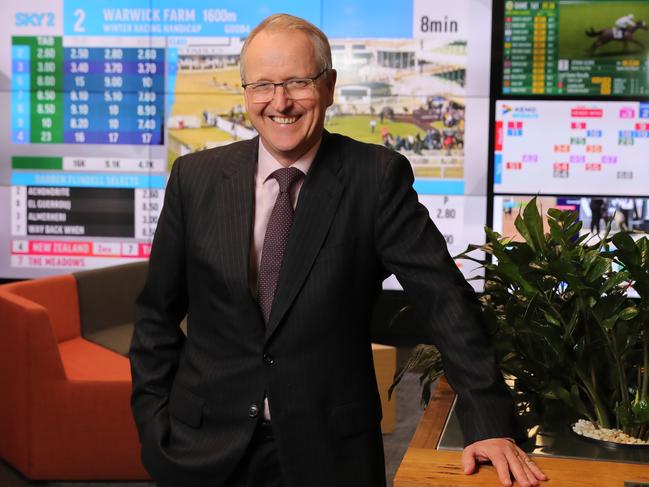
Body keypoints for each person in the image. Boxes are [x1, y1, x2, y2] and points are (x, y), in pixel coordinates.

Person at [130, 13, 547, 487]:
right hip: (200, 449)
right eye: (262, 85)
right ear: (246, 93)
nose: (279, 102)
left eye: (297, 82)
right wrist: (153, 426)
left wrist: (489, 423)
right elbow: (155, 317)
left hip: (329, 452)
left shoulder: (376, 177)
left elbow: (443, 299)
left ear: (328, 87)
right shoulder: (194, 177)